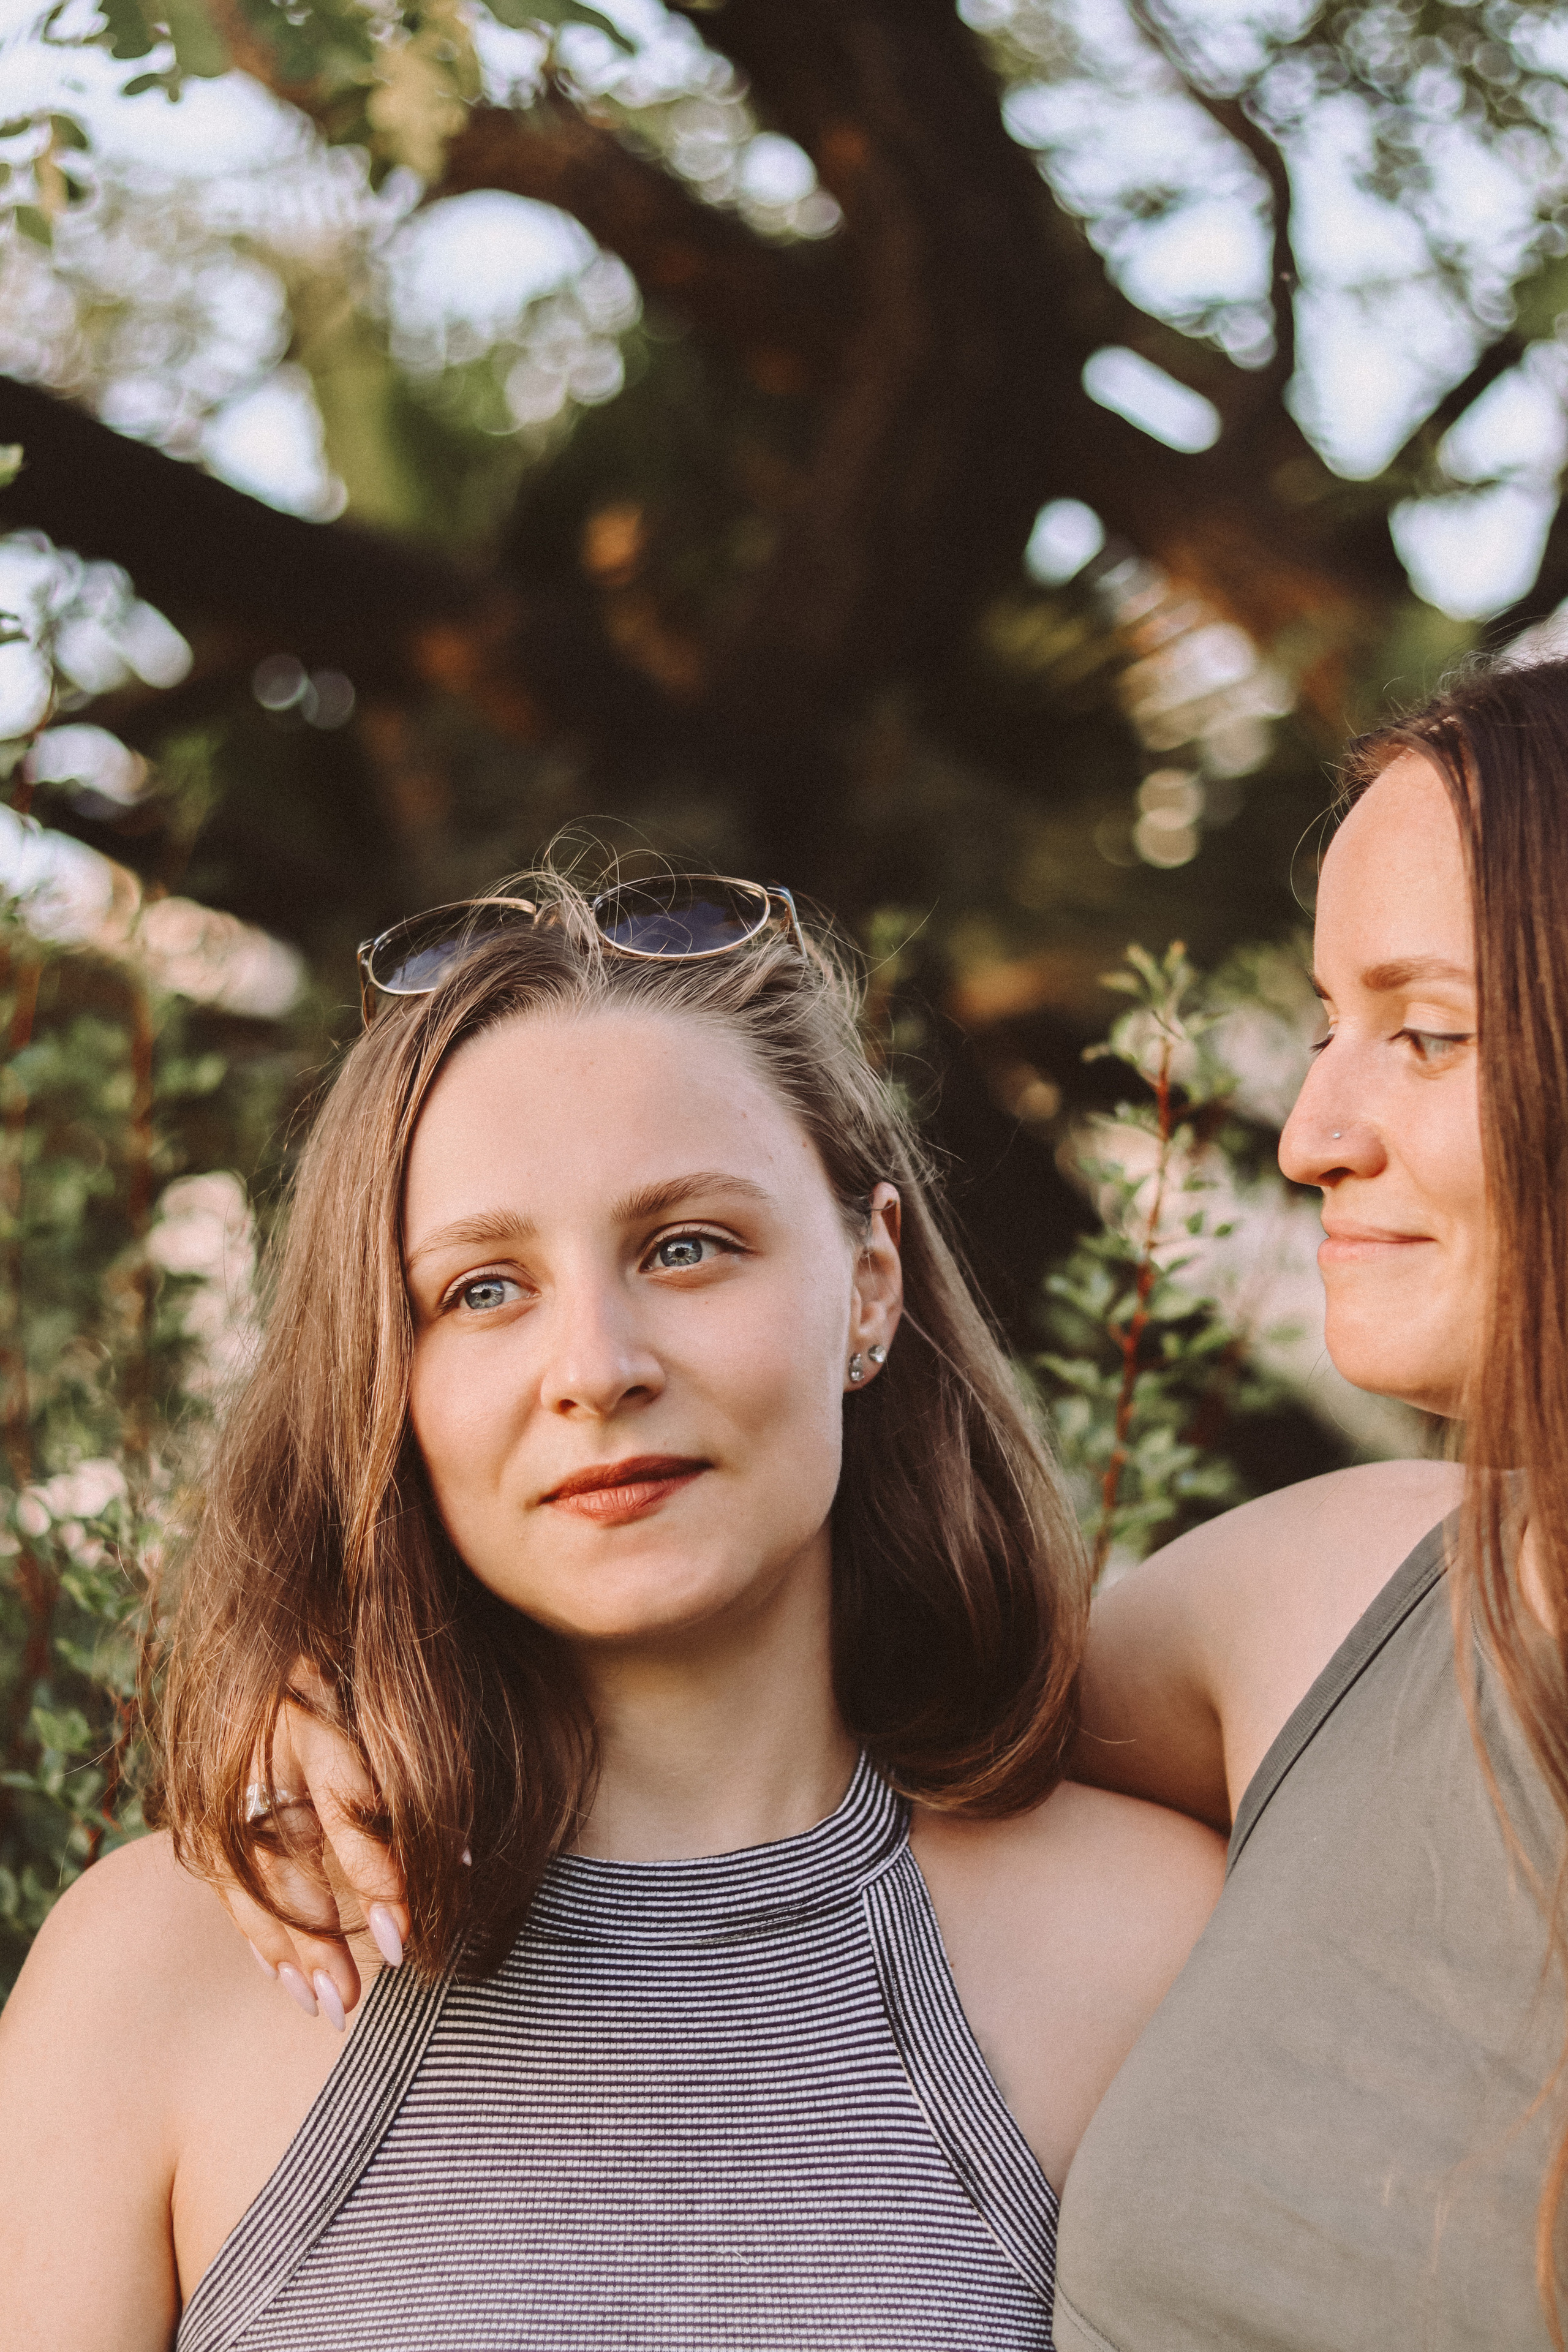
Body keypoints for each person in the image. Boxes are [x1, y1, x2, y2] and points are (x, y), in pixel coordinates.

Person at [0, 872, 1223, 2351]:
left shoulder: (1149, 1947)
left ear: (869, 1284)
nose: (595, 1364)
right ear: (382, 1376)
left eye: (687, 1245)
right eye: (480, 1290)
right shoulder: (165, 1970)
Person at [1055, 657, 1568, 2349]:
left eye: (1425, 1033)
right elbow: (770, 1738)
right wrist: (354, 1699)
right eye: (1331, 1023)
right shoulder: (1335, 1597)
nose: (1310, 1134)